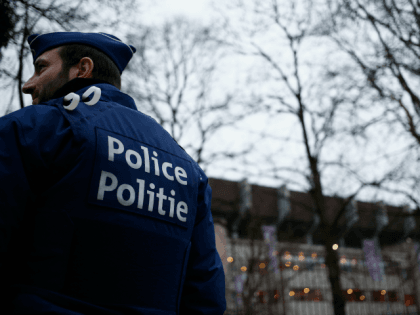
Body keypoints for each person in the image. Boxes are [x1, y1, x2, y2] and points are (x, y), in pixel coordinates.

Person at [0, 32, 226, 315]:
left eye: (42, 67)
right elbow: (205, 294)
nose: (29, 84)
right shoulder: (188, 168)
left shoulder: (31, 130)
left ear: (82, 69)